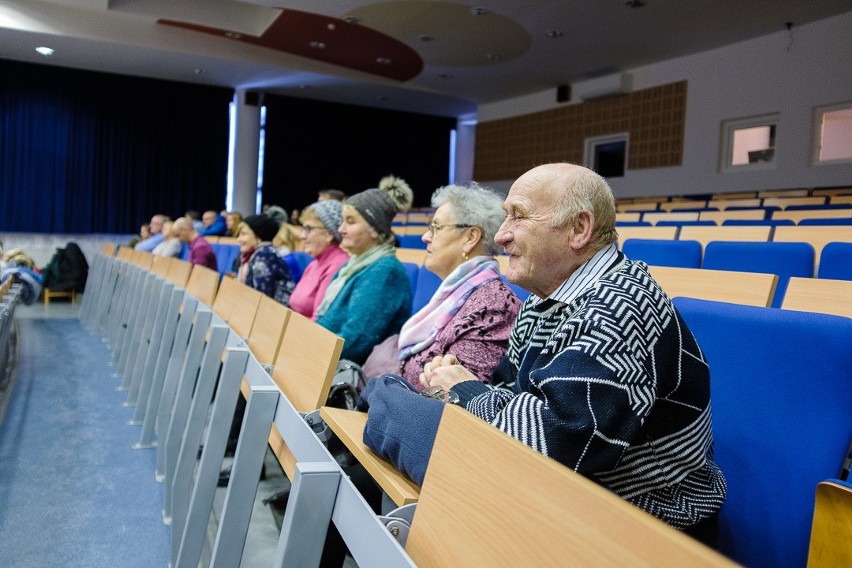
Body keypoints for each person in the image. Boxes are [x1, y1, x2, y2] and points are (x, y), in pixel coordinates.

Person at [357, 163, 727, 545]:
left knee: (390, 400)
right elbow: (519, 398)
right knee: (398, 409)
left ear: (578, 229)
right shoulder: (542, 300)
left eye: (518, 216)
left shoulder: (619, 307)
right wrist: (462, 389)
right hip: (568, 493)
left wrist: (465, 391)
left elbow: (558, 442)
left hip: (641, 527)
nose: (501, 236)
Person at [364, 182, 520, 389]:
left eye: (436, 228)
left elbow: (454, 397)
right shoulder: (456, 292)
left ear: (471, 238)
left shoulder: (494, 307)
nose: (425, 237)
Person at [315, 176, 414, 365]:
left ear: (374, 230)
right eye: (342, 221)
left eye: (350, 222)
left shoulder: (385, 271)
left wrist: (308, 352)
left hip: (348, 373)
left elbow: (356, 341)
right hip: (328, 359)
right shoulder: (354, 264)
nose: (341, 229)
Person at [288, 200, 349, 320]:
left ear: (329, 234)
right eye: (303, 229)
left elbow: (319, 321)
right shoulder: (314, 263)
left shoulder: (337, 265)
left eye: (308, 229)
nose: (302, 236)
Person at [237, 214, 295, 305]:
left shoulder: (265, 256)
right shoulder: (256, 253)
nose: (239, 239)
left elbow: (261, 299)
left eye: (243, 234)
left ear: (259, 236)